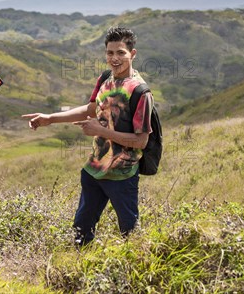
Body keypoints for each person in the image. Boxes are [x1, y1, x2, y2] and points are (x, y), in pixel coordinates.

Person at [22, 27, 153, 246]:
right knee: (80, 232)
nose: (115, 58)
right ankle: (80, 271)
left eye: (121, 53)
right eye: (110, 53)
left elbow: (141, 141)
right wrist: (50, 118)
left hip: (122, 174)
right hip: (94, 171)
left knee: (131, 236)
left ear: (133, 54)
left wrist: (101, 131)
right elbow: (91, 109)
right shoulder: (105, 79)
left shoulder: (140, 92)